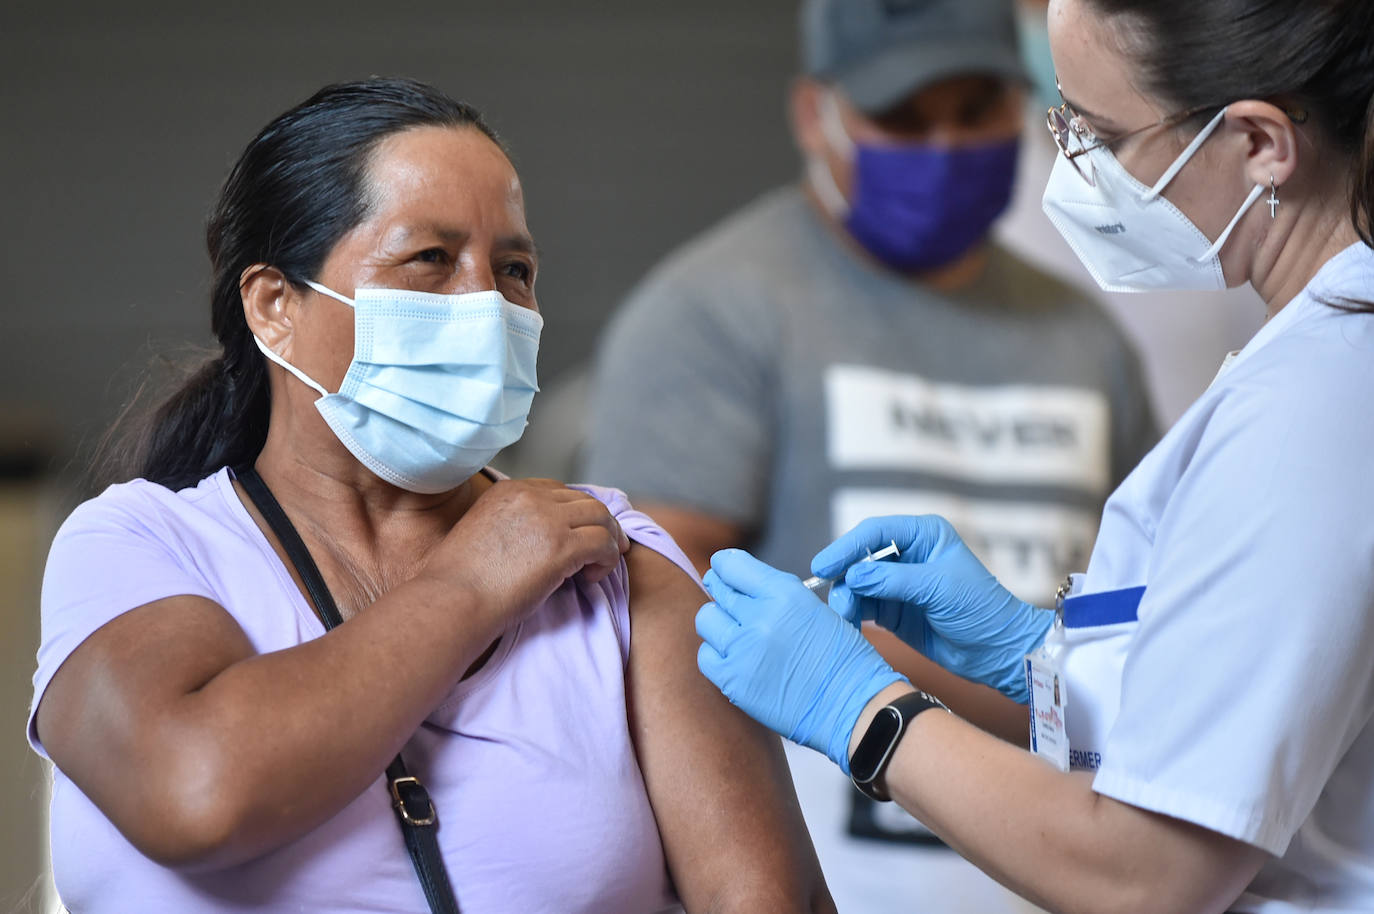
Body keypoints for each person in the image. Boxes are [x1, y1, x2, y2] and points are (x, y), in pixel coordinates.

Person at [26, 78, 833, 914]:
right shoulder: (138, 545)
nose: (487, 304)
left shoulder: (606, 562)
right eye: (430, 261)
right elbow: (196, 793)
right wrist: (472, 583)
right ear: (275, 308)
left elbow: (772, 900)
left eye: (514, 269)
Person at [694, 0, 1374, 909]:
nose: (1075, 175)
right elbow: (1254, 701)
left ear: (1258, 144)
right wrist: (1038, 661)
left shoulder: (1316, 405)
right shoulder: (1311, 366)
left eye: (1099, 134)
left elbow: (1145, 875)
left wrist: (860, 710)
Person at [584, 0, 1153, 906]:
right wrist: (866, 691)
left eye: (976, 111)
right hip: (827, 864)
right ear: (818, 115)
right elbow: (656, 592)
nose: (943, 146)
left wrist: (1009, 666)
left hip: (1050, 857)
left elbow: (1139, 609)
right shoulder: (717, 310)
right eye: (903, 116)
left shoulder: (1087, 339)